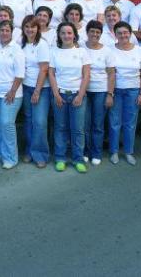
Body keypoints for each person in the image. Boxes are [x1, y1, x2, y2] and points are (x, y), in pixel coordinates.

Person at [48, 22, 91, 173]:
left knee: (78, 129)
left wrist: (80, 94)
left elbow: (86, 75)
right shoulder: (54, 51)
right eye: (63, 33)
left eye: (69, 33)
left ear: (74, 35)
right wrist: (56, 94)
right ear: (59, 35)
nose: (66, 35)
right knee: (60, 127)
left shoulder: (82, 52)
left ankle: (78, 159)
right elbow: (51, 74)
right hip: (60, 95)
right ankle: (60, 158)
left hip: (77, 95)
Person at [109, 21, 141, 165]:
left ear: (130, 34)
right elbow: (109, 73)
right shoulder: (110, 50)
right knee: (114, 122)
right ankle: (114, 151)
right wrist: (109, 93)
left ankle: (128, 151)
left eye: (126, 32)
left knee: (130, 123)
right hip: (116, 90)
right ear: (115, 34)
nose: (123, 35)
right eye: (119, 33)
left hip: (133, 90)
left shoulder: (139, 50)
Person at [0, 20, 26, 169]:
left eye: (7, 30)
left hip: (12, 93)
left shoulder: (17, 50)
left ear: (12, 32)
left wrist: (12, 91)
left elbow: (20, 74)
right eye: (2, 30)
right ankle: (0, 150)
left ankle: (11, 157)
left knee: (7, 123)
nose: (4, 33)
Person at [83, 20, 116, 165]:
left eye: (98, 32)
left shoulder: (107, 51)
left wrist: (110, 94)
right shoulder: (80, 48)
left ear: (101, 34)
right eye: (92, 31)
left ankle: (96, 153)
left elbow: (111, 73)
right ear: (87, 32)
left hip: (101, 91)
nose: (95, 34)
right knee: (84, 124)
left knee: (97, 124)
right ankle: (85, 151)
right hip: (83, 91)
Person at [21, 16, 51, 168]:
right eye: (26, 26)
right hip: (25, 87)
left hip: (40, 88)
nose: (29, 29)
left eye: (33, 26)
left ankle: (40, 154)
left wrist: (37, 91)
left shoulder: (42, 44)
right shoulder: (21, 44)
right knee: (28, 120)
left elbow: (44, 69)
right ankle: (29, 150)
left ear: (38, 28)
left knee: (39, 122)